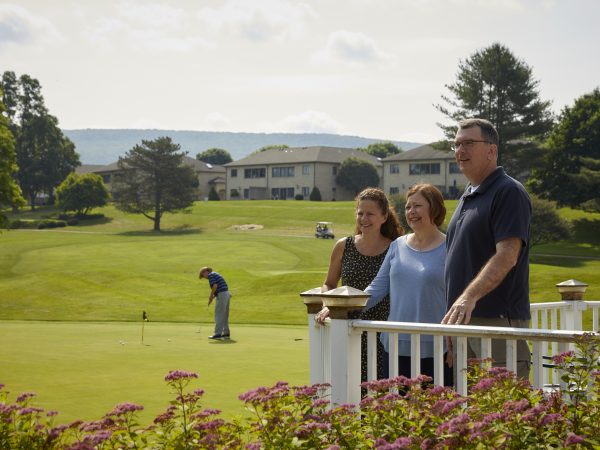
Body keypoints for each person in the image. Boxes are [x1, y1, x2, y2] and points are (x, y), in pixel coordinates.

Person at [442, 118, 532, 379]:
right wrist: (453, 316)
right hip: (465, 322)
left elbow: (507, 256)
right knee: (471, 414)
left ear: (491, 150)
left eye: (469, 143)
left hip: (496, 321)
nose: (460, 151)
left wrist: (467, 298)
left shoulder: (508, 192)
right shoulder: (469, 195)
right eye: (457, 144)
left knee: (507, 411)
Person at [362, 184, 453, 385]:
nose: (411, 212)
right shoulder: (397, 246)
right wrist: (340, 306)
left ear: (434, 209)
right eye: (408, 207)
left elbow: (458, 296)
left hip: (437, 347)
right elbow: (376, 288)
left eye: (417, 206)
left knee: (434, 414)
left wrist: (455, 339)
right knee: (398, 413)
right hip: (395, 346)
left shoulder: (451, 247)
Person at [317, 187, 403, 382]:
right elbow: (329, 284)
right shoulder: (343, 246)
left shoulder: (397, 247)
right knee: (348, 389)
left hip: (384, 336)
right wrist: (328, 305)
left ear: (384, 217)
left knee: (382, 395)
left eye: (370, 214)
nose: (364, 219)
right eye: (360, 213)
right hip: (348, 331)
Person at [199, 266, 232, 340]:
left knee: (219, 315)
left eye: (203, 275)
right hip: (226, 294)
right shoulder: (215, 274)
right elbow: (219, 287)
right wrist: (213, 297)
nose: (204, 277)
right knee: (224, 315)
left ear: (206, 271)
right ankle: (226, 333)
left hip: (222, 294)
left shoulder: (211, 275)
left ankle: (217, 334)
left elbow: (215, 286)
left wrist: (210, 296)